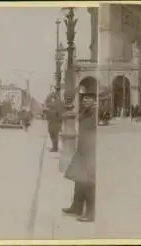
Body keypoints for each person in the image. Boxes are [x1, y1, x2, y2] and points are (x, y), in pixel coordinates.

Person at [62, 91, 96, 222]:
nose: (86, 101)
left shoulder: (95, 113)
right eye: (84, 99)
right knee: (78, 179)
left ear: (94, 100)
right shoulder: (85, 111)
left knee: (88, 182)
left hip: (90, 152)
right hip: (82, 149)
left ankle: (90, 213)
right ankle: (77, 207)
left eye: (89, 99)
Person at [45, 87, 63, 152]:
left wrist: (60, 122)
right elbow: (47, 105)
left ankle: (55, 148)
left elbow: (60, 112)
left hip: (56, 121)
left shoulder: (58, 101)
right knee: (51, 133)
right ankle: (54, 147)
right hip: (51, 121)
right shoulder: (51, 100)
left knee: (55, 134)